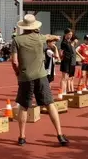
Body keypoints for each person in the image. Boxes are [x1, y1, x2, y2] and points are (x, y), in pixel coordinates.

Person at [11, 14, 69, 147]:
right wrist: (55, 37)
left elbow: (14, 61)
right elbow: (50, 37)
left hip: (25, 77)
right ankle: (60, 134)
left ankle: (22, 136)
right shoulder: (40, 38)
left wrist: (18, 73)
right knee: (50, 104)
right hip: (41, 75)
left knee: (24, 106)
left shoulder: (17, 40)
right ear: (35, 27)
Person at [59, 28, 76, 94]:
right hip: (65, 62)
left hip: (70, 62)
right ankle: (62, 92)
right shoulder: (64, 42)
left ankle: (65, 91)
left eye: (71, 34)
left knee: (67, 78)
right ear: (65, 34)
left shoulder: (69, 42)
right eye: (69, 34)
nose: (71, 35)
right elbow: (61, 52)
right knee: (64, 78)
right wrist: (61, 57)